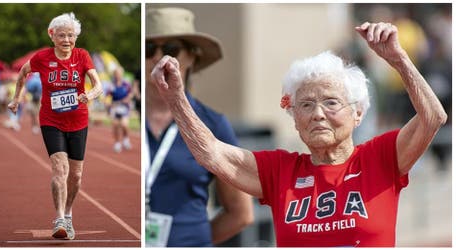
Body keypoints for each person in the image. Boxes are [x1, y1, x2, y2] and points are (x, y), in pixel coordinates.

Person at [151, 21, 447, 247]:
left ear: (358, 113)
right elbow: (211, 153)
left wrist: (398, 60)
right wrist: (176, 98)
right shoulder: (280, 171)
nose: (318, 113)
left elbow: (433, 116)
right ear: (294, 119)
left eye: (331, 102)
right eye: (306, 104)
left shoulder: (380, 158)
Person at [145, 7, 253, 247]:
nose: (157, 57)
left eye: (171, 49)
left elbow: (241, 213)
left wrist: (193, 241)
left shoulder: (213, 124)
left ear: (192, 56)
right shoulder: (131, 116)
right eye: (149, 48)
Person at [8, 12, 103, 240]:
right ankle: (59, 218)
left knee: (76, 175)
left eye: (71, 35)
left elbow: (98, 85)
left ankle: (68, 213)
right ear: (52, 36)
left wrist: (89, 94)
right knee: (60, 168)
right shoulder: (42, 57)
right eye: (62, 35)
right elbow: (23, 73)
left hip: (78, 120)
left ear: (76, 38)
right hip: (51, 120)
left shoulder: (82, 56)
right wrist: (16, 98)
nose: (67, 40)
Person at [108, 67, 133, 153]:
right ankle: (117, 143)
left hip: (124, 107)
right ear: (114, 75)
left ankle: (126, 139)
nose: (118, 76)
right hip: (115, 107)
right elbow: (107, 96)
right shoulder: (112, 85)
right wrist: (109, 103)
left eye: (119, 74)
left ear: (121, 74)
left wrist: (127, 99)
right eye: (116, 74)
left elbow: (131, 94)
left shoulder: (126, 84)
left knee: (124, 125)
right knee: (115, 125)